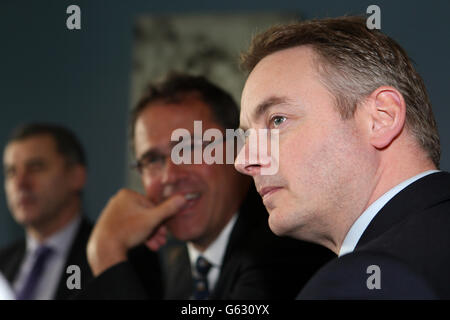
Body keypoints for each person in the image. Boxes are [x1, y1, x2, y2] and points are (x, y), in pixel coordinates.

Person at [233, 16, 450, 299]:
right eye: (247, 136)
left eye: (277, 120)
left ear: (381, 118)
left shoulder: (362, 281)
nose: (243, 160)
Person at [82, 73, 334, 299]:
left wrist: (106, 253)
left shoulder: (284, 245)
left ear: (238, 148)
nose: (170, 175)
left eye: (189, 148)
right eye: (153, 160)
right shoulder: (175, 261)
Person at [0, 123, 93, 300]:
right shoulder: (3, 264)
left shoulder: (112, 258)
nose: (20, 183)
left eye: (35, 167)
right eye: (11, 172)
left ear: (76, 176)